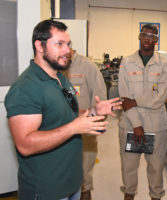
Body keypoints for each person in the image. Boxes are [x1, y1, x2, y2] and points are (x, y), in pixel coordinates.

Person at [4, 19, 121, 200]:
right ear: (39, 46)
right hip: (46, 190)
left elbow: (70, 116)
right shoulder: (26, 88)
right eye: (59, 44)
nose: (67, 50)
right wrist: (73, 128)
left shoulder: (60, 79)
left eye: (68, 44)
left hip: (71, 185)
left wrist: (94, 111)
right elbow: (25, 144)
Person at [118, 24, 167, 200]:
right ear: (139, 37)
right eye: (144, 35)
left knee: (156, 169)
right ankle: (129, 195)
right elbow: (124, 98)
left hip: (156, 126)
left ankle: (156, 196)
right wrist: (137, 125)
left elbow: (160, 97)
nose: (148, 39)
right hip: (130, 125)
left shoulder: (164, 65)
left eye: (152, 36)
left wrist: (136, 101)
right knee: (129, 167)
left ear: (156, 40)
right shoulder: (127, 63)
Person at [62, 48, 107, 200]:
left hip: (84, 133)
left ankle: (86, 191)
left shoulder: (88, 66)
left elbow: (100, 99)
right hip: (60, 131)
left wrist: (94, 123)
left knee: (84, 178)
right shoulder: (54, 66)